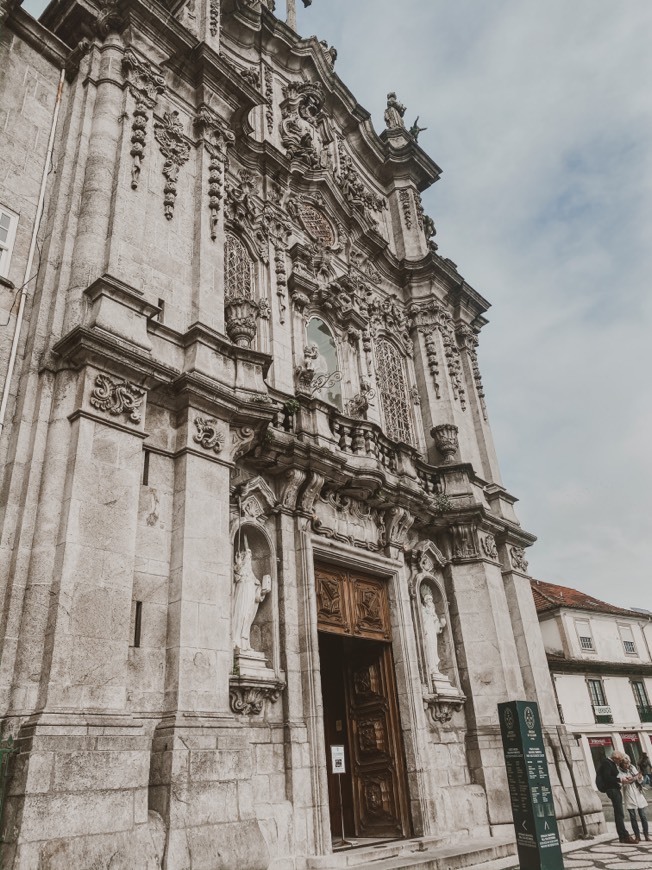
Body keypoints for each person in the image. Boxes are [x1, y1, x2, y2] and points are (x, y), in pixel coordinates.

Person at [597, 751, 636, 843]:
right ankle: (624, 835)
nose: (619, 763)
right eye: (619, 760)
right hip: (612, 789)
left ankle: (622, 836)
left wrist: (624, 778)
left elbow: (613, 776)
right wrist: (620, 779)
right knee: (619, 813)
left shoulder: (610, 763)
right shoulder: (607, 763)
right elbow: (607, 778)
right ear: (616, 758)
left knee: (619, 813)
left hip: (614, 789)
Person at [616, 754, 650, 843]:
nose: (627, 766)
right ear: (621, 764)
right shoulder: (618, 770)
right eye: (625, 764)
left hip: (637, 792)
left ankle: (646, 835)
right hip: (629, 793)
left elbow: (640, 780)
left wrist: (639, 777)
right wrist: (628, 780)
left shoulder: (632, 768)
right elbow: (621, 782)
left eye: (628, 763)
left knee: (643, 815)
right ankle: (637, 836)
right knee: (633, 816)